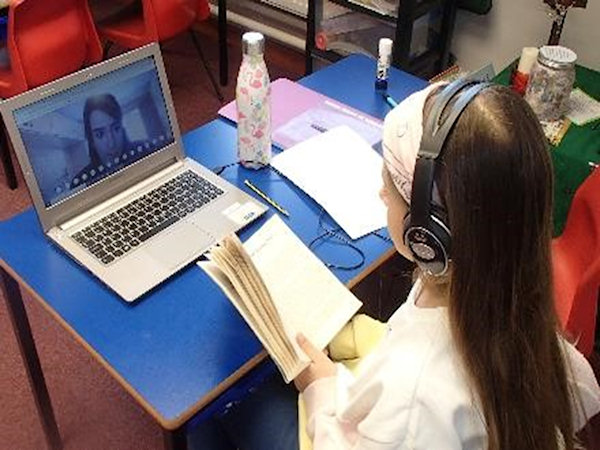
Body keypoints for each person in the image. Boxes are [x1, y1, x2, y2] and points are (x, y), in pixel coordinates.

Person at [190, 80, 600, 450]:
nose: (382, 194)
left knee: (213, 406)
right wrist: (349, 337)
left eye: (389, 188)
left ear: (427, 235)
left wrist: (320, 388)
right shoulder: (499, 288)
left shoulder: (417, 397)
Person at [70, 93, 140, 188]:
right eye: (100, 134)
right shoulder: (80, 182)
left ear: (122, 128)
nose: (111, 144)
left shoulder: (144, 152)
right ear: (92, 140)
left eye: (116, 128)